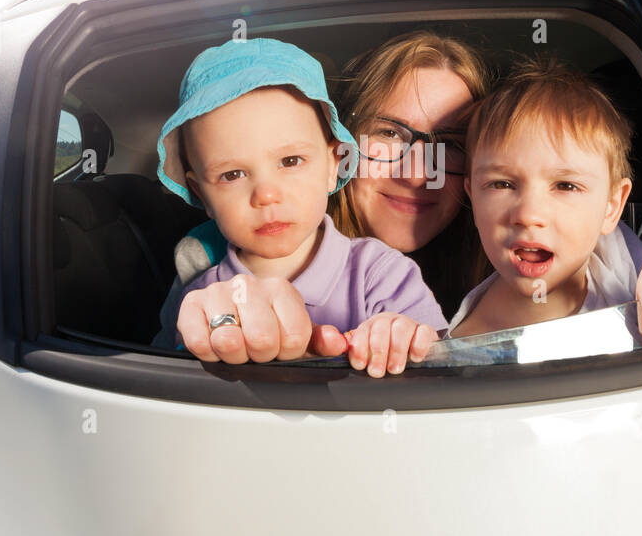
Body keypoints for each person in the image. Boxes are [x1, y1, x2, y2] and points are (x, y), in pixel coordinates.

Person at [172, 30, 489, 376]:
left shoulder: (409, 274)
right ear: (347, 148)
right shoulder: (203, 271)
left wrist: (407, 342)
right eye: (390, 133)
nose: (416, 174)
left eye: (451, 144)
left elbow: (441, 377)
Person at [449, 57, 642, 342]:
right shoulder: (465, 346)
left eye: (566, 186)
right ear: (473, 197)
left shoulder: (617, 258)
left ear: (611, 208)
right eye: (502, 184)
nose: (529, 214)